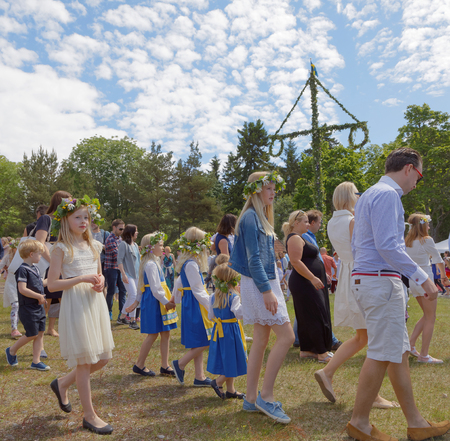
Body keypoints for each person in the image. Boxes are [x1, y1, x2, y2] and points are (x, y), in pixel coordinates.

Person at [346, 148, 450, 441]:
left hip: (373, 280)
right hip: (380, 282)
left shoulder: (369, 194)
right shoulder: (388, 195)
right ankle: (360, 423)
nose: (418, 182)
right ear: (408, 169)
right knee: (382, 353)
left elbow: (361, 244)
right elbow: (388, 246)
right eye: (419, 175)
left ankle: (415, 422)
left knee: (397, 353)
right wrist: (423, 278)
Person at [314, 181, 398, 408]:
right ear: (351, 197)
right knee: (374, 337)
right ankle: (372, 395)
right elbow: (363, 248)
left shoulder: (331, 221)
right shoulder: (352, 220)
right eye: (357, 194)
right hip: (362, 273)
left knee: (364, 337)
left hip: (349, 275)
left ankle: (328, 372)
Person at [229, 171, 294, 424]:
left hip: (263, 282)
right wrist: (267, 291)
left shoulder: (258, 217)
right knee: (287, 336)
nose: (273, 192)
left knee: (260, 339)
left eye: (273, 188)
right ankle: (266, 397)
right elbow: (253, 259)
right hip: (260, 285)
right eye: (268, 188)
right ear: (256, 190)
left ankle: (251, 397)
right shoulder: (250, 218)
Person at [47, 195, 114, 435]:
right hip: (75, 305)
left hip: (94, 304)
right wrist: (82, 279)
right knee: (84, 361)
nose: (84, 221)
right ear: (66, 219)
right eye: (78, 217)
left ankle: (63, 383)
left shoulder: (95, 245)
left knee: (103, 358)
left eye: (86, 217)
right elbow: (53, 285)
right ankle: (89, 415)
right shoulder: (60, 249)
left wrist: (101, 281)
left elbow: (99, 274)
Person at [283, 210, 333, 363]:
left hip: (308, 281)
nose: (308, 224)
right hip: (304, 282)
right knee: (314, 315)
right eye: (305, 221)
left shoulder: (300, 238)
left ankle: (307, 350)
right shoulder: (294, 238)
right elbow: (296, 262)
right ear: (296, 223)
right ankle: (321, 352)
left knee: (307, 315)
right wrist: (312, 278)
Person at [125, 232, 178, 377]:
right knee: (153, 334)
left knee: (165, 332)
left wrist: (136, 302)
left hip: (157, 300)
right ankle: (139, 364)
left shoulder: (154, 262)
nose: (162, 248)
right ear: (150, 247)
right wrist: (166, 302)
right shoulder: (150, 265)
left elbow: (143, 286)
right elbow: (154, 288)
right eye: (160, 245)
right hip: (156, 302)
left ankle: (165, 365)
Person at [171, 227, 214, 387]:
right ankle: (180, 363)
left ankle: (199, 376)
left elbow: (179, 283)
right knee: (205, 340)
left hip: (192, 303)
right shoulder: (191, 265)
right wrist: (213, 305)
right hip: (196, 305)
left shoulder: (188, 263)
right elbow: (198, 290)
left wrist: (174, 298)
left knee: (199, 341)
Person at [406, 213, 448, 363]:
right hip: (425, 281)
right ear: (423, 225)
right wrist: (444, 277)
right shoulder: (426, 240)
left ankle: (411, 345)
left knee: (426, 315)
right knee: (431, 317)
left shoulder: (407, 242)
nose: (429, 226)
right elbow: (438, 260)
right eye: (428, 224)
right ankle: (424, 355)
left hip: (413, 281)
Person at [299, 210, 342, 351]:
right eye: (319, 223)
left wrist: (324, 272)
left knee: (307, 309)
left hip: (314, 277)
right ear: (312, 223)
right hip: (309, 278)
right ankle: (332, 340)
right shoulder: (304, 236)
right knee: (320, 309)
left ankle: (297, 338)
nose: (320, 225)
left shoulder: (310, 237)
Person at [5, 239, 49, 371]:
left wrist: (53, 279)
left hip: (38, 306)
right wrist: (38, 296)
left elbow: (40, 283)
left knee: (40, 332)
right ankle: (12, 350)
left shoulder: (34, 268)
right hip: (28, 308)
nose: (41, 256)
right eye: (39, 254)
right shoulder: (22, 270)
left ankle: (36, 361)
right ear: (31, 254)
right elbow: (22, 289)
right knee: (32, 333)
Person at [207, 254, 247, 400]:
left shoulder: (213, 297)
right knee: (233, 359)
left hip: (219, 332)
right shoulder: (234, 297)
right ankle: (217, 382)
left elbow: (210, 316)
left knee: (226, 358)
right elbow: (239, 314)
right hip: (231, 332)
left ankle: (231, 390)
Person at [117, 224, 140, 330]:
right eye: (136, 231)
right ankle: (132, 320)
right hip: (128, 275)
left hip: (136, 275)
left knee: (132, 296)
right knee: (134, 295)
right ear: (131, 232)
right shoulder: (123, 244)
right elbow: (120, 260)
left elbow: (138, 261)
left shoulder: (135, 245)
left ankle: (122, 317)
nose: (137, 232)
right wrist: (123, 274)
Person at [104, 219, 127, 321]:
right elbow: (117, 256)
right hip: (111, 268)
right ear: (114, 227)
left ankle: (122, 314)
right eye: (120, 228)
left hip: (120, 268)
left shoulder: (121, 239)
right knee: (111, 291)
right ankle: (108, 311)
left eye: (123, 229)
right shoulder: (110, 239)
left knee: (123, 290)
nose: (122, 231)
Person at [1, 238, 22, 338]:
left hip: (21, 283)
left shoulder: (24, 256)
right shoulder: (8, 256)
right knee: (15, 305)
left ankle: (25, 327)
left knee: (21, 306)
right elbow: (1, 265)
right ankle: (14, 329)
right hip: (11, 283)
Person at [91, 219, 109, 296]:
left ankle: (104, 303)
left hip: (103, 262)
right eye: (91, 222)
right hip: (91, 263)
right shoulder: (87, 234)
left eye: (94, 222)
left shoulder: (105, 233)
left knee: (104, 285)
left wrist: (100, 246)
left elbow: (110, 247)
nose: (92, 224)